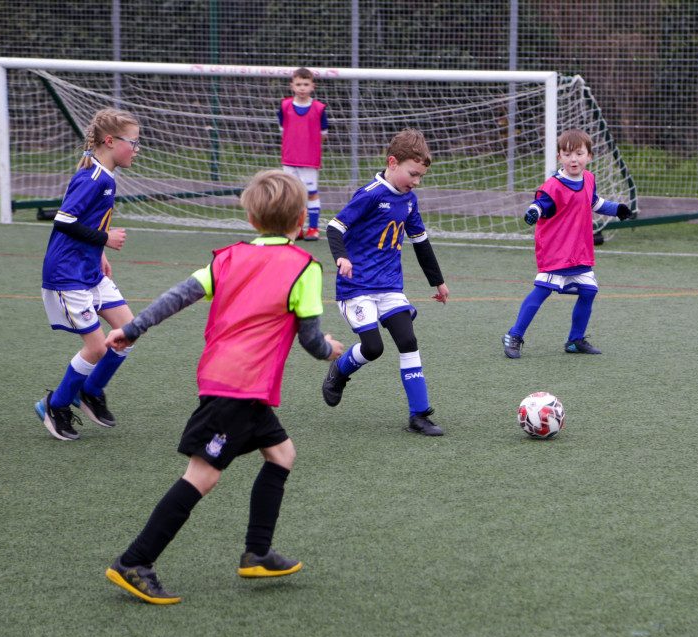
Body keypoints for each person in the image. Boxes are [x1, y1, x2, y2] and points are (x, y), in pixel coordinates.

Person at [104, 170, 344, 605]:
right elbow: (311, 341)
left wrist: (134, 328)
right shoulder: (305, 268)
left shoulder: (228, 257)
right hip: (239, 387)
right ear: (299, 222)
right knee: (201, 477)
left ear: (251, 219)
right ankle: (134, 562)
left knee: (282, 454)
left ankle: (257, 552)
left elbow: (178, 295)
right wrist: (330, 350)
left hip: (230, 381)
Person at [321, 128, 449, 436]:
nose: (416, 182)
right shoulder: (370, 195)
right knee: (374, 348)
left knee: (408, 341)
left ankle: (419, 415)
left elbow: (421, 242)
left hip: (390, 287)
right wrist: (342, 258)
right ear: (392, 162)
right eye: (412, 174)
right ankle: (339, 371)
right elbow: (334, 227)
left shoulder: (409, 201)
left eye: (420, 176)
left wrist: (438, 282)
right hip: (356, 288)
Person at [33, 108, 141, 440]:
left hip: (89, 268)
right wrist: (105, 239)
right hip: (67, 274)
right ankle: (56, 404)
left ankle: (89, 392)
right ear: (110, 141)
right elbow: (64, 220)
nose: (137, 149)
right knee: (96, 348)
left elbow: (87, 219)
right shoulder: (92, 177)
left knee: (128, 332)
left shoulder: (105, 175)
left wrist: (101, 251)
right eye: (133, 143)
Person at [502, 128, 632, 359]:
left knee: (589, 291)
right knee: (542, 291)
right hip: (556, 251)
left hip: (579, 251)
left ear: (589, 156)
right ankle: (514, 335)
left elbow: (594, 202)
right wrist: (533, 211)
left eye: (579, 153)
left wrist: (617, 209)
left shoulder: (589, 178)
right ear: (559, 157)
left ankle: (575, 340)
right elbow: (541, 203)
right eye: (568, 153)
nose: (574, 159)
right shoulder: (554, 185)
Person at [279, 67, 328, 242]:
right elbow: (283, 130)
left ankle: (313, 229)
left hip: (309, 160)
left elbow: (323, 134)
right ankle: (296, 228)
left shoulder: (319, 109)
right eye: (298, 84)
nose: (302, 88)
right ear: (292, 85)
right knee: (291, 194)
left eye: (305, 84)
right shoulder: (285, 106)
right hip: (289, 159)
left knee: (311, 193)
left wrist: (310, 149)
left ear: (312, 86)